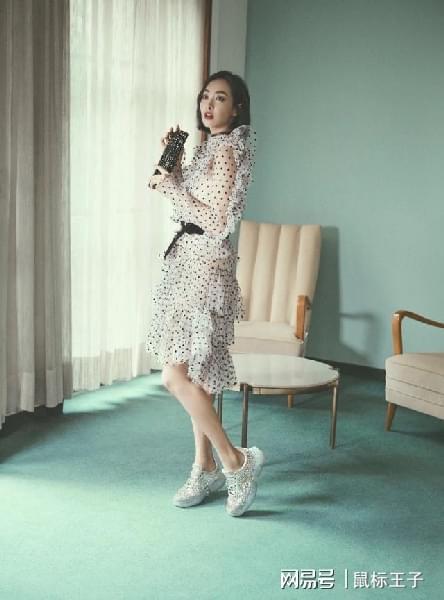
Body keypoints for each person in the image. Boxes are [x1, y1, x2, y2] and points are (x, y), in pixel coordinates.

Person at [146, 71, 264, 517]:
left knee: (173, 376)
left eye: (221, 98)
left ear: (237, 108)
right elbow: (192, 202)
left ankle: (236, 462)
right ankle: (205, 465)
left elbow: (215, 221)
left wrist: (169, 186)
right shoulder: (207, 148)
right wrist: (174, 167)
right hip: (188, 259)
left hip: (206, 263)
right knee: (194, 376)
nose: (209, 105)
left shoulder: (229, 149)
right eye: (205, 97)